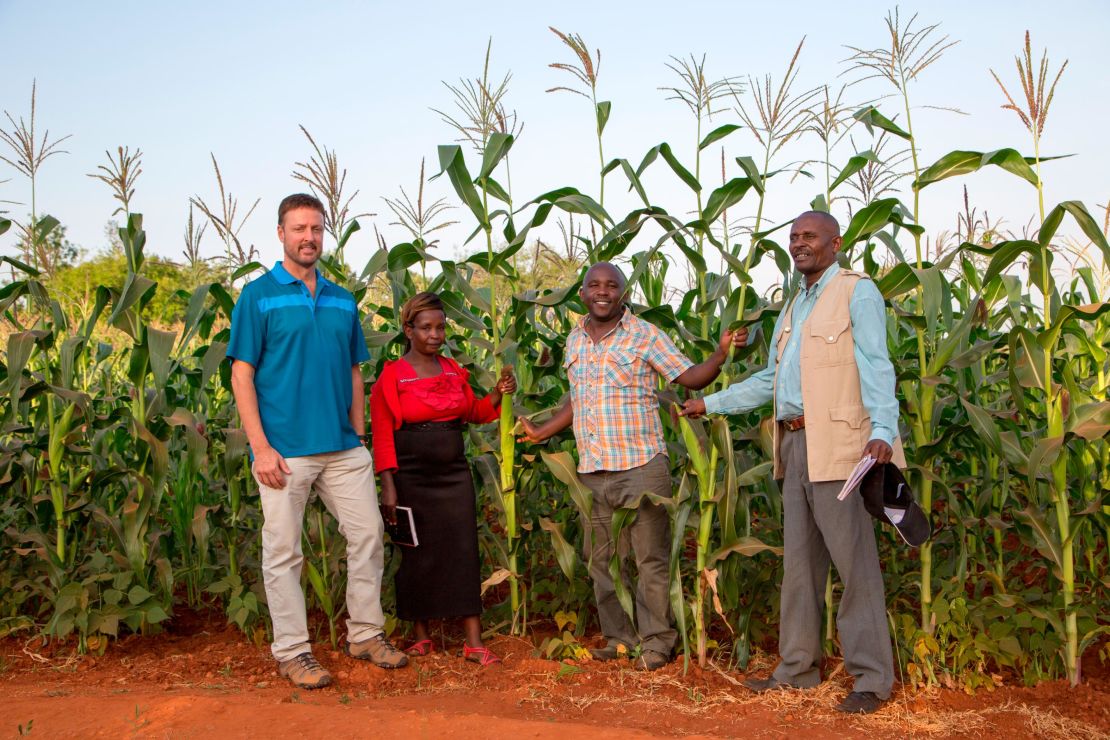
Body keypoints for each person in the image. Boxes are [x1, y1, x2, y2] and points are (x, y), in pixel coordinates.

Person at [678, 211, 906, 714]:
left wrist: (883, 432)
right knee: (800, 566)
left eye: (810, 236)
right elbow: (770, 380)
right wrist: (709, 403)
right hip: (795, 445)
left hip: (843, 447)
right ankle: (798, 669)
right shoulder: (793, 305)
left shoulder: (855, 291)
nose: (799, 243)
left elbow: (876, 363)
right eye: (794, 237)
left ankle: (872, 678)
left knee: (854, 565)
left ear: (835, 243)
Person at [518, 262, 747, 671]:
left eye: (612, 285)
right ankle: (619, 639)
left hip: (641, 466)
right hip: (591, 471)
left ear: (624, 293)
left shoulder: (645, 335)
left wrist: (720, 353)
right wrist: (542, 432)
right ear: (583, 293)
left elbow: (690, 377)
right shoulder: (575, 340)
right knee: (601, 560)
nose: (602, 292)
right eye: (594, 285)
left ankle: (658, 642)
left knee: (650, 560)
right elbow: (578, 399)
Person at [228, 193, 408, 690]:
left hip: (342, 447)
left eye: (316, 228)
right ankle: (292, 651)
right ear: (281, 233)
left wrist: (358, 435)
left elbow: (353, 370)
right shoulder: (258, 296)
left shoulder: (341, 299)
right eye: (298, 228)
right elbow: (242, 376)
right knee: (284, 551)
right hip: (284, 451)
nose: (308, 237)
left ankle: (366, 634)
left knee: (369, 536)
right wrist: (261, 448)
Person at [370, 292, 517, 667]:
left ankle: (473, 640)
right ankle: (422, 637)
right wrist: (389, 486)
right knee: (416, 553)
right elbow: (383, 434)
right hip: (410, 475)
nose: (435, 334)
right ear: (408, 330)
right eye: (426, 328)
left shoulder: (452, 370)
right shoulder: (392, 376)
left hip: (453, 474)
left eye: (440, 327)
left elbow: (476, 412)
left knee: (463, 549)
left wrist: (497, 395)